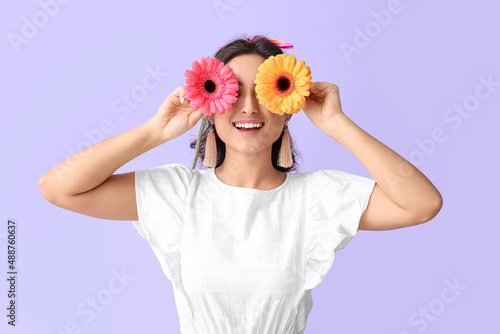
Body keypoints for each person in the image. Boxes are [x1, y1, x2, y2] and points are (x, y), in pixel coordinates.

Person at [38, 35, 443, 334]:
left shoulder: (317, 198)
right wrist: (155, 130)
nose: (248, 106)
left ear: (288, 107)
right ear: (209, 105)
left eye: (267, 91)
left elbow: (421, 204)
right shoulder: (178, 195)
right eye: (231, 91)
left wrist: (337, 124)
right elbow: (60, 188)